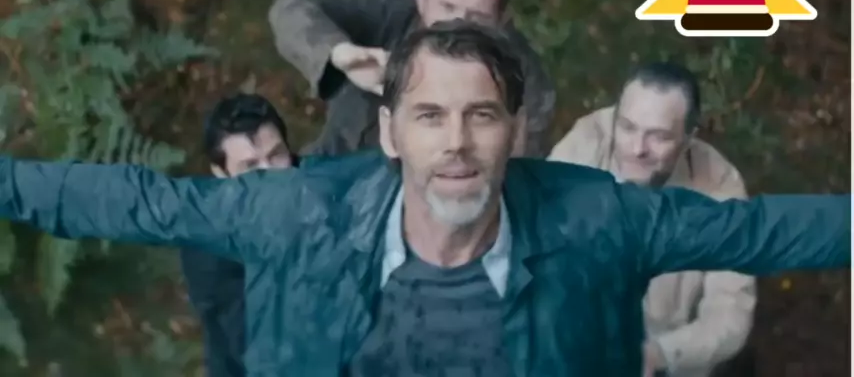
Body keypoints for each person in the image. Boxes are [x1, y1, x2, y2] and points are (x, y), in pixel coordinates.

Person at [0, 21, 848, 377]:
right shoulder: (295, 212)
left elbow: (759, 232)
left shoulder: (598, 218)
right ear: (388, 132)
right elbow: (143, 202)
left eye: (482, 115)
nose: (456, 143)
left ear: (515, 132)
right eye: (430, 116)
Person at [549, 62, 755, 377]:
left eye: (658, 137)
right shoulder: (584, 147)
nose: (637, 149)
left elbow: (730, 313)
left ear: (688, 138)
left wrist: (658, 354)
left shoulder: (720, 190)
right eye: (627, 127)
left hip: (666, 358)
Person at [268, 0, 555, 157]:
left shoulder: (526, 84)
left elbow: (517, 177)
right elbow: (290, 10)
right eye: (447, 7)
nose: (456, 25)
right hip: (331, 166)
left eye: (477, 17)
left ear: (502, 20)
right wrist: (341, 53)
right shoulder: (391, 14)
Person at [180, 93, 298, 377]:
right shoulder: (208, 246)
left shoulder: (317, 185)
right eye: (250, 166)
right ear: (221, 174)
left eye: (276, 155)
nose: (269, 175)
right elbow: (262, 344)